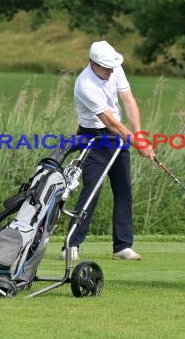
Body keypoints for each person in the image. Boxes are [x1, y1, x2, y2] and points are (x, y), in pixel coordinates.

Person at [64, 40, 155, 261]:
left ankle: (122, 246)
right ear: (92, 64)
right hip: (94, 137)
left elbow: (128, 100)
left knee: (123, 190)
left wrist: (139, 133)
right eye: (105, 67)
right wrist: (138, 144)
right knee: (92, 191)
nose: (110, 71)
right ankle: (71, 244)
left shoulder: (114, 68)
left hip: (118, 135)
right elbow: (109, 121)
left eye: (111, 66)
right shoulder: (85, 84)